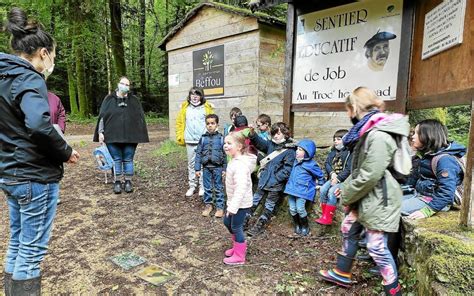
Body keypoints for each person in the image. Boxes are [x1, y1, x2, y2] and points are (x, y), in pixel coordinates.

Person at [0, 7, 80, 295]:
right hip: (35, 176)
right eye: (54, 56)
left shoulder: (4, 76)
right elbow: (38, 123)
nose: (52, 63)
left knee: (18, 241)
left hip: (10, 174)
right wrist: (65, 151)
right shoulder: (29, 77)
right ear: (43, 53)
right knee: (31, 251)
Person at [319, 87, 408, 296]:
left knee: (376, 245)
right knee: (348, 226)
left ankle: (393, 290)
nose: (348, 114)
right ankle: (342, 272)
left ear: (355, 108)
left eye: (349, 109)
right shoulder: (369, 130)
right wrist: (346, 187)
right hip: (370, 195)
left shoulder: (378, 134)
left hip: (379, 197)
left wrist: (347, 192)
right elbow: (362, 169)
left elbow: (370, 173)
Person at [93, 76, 149, 194]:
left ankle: (128, 182)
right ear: (118, 84)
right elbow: (102, 117)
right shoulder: (108, 99)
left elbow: (139, 118)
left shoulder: (134, 100)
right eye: (123, 83)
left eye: (127, 84)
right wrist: (100, 132)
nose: (125, 86)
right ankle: (117, 182)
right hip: (112, 136)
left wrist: (139, 133)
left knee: (128, 159)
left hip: (130, 137)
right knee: (116, 159)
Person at [402, 119, 466, 219]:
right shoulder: (428, 156)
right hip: (420, 195)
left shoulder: (445, 160)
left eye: (417, 133)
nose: (413, 136)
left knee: (390, 209)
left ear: (428, 136)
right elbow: (413, 181)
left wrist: (427, 211)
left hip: (434, 202)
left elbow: (446, 192)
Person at [246, 122, 296, 237]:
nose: (276, 136)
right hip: (264, 181)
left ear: (285, 134)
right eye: (274, 133)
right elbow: (259, 143)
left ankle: (260, 224)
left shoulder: (290, 151)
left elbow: (287, 170)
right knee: (254, 201)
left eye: (279, 133)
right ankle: (245, 220)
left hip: (276, 184)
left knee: (269, 205)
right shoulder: (270, 144)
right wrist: (253, 133)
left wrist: (276, 178)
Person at [222, 132, 257, 265]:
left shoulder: (240, 165)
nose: (225, 145)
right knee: (227, 222)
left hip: (240, 203)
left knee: (236, 227)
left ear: (239, 147)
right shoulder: (233, 161)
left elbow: (241, 189)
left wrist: (233, 207)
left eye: (229, 143)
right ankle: (237, 246)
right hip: (234, 202)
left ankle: (239, 255)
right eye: (225, 143)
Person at [175, 87, 214, 197]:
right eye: (193, 94)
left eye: (197, 94)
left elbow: (212, 122)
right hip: (189, 140)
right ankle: (192, 186)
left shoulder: (206, 108)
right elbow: (179, 123)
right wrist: (180, 136)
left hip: (202, 140)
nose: (195, 96)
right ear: (189, 96)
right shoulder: (185, 108)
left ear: (201, 96)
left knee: (203, 164)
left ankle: (202, 186)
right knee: (191, 164)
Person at [284, 139, 324, 236]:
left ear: (307, 153)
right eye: (297, 149)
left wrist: (321, 184)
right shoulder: (295, 161)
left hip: (303, 190)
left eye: (301, 150)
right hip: (291, 189)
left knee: (300, 208)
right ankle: (297, 225)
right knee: (292, 209)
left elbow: (320, 175)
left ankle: (305, 226)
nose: (297, 151)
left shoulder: (311, 165)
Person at [315, 129, 351, 225]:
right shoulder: (333, 152)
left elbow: (348, 169)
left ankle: (328, 217)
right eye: (334, 139)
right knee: (323, 190)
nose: (335, 141)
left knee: (332, 192)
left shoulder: (349, 153)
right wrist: (332, 173)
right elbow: (327, 163)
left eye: (339, 139)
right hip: (332, 177)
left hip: (343, 181)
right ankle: (324, 214)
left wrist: (338, 178)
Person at [195, 114, 226, 218]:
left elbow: (225, 154)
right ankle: (208, 206)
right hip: (206, 168)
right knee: (207, 188)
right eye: (208, 123)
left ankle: (220, 207)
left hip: (218, 167)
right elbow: (198, 153)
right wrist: (197, 168)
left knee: (218, 188)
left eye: (212, 123)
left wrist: (225, 169)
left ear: (217, 124)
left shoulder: (221, 138)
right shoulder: (203, 139)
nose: (210, 125)